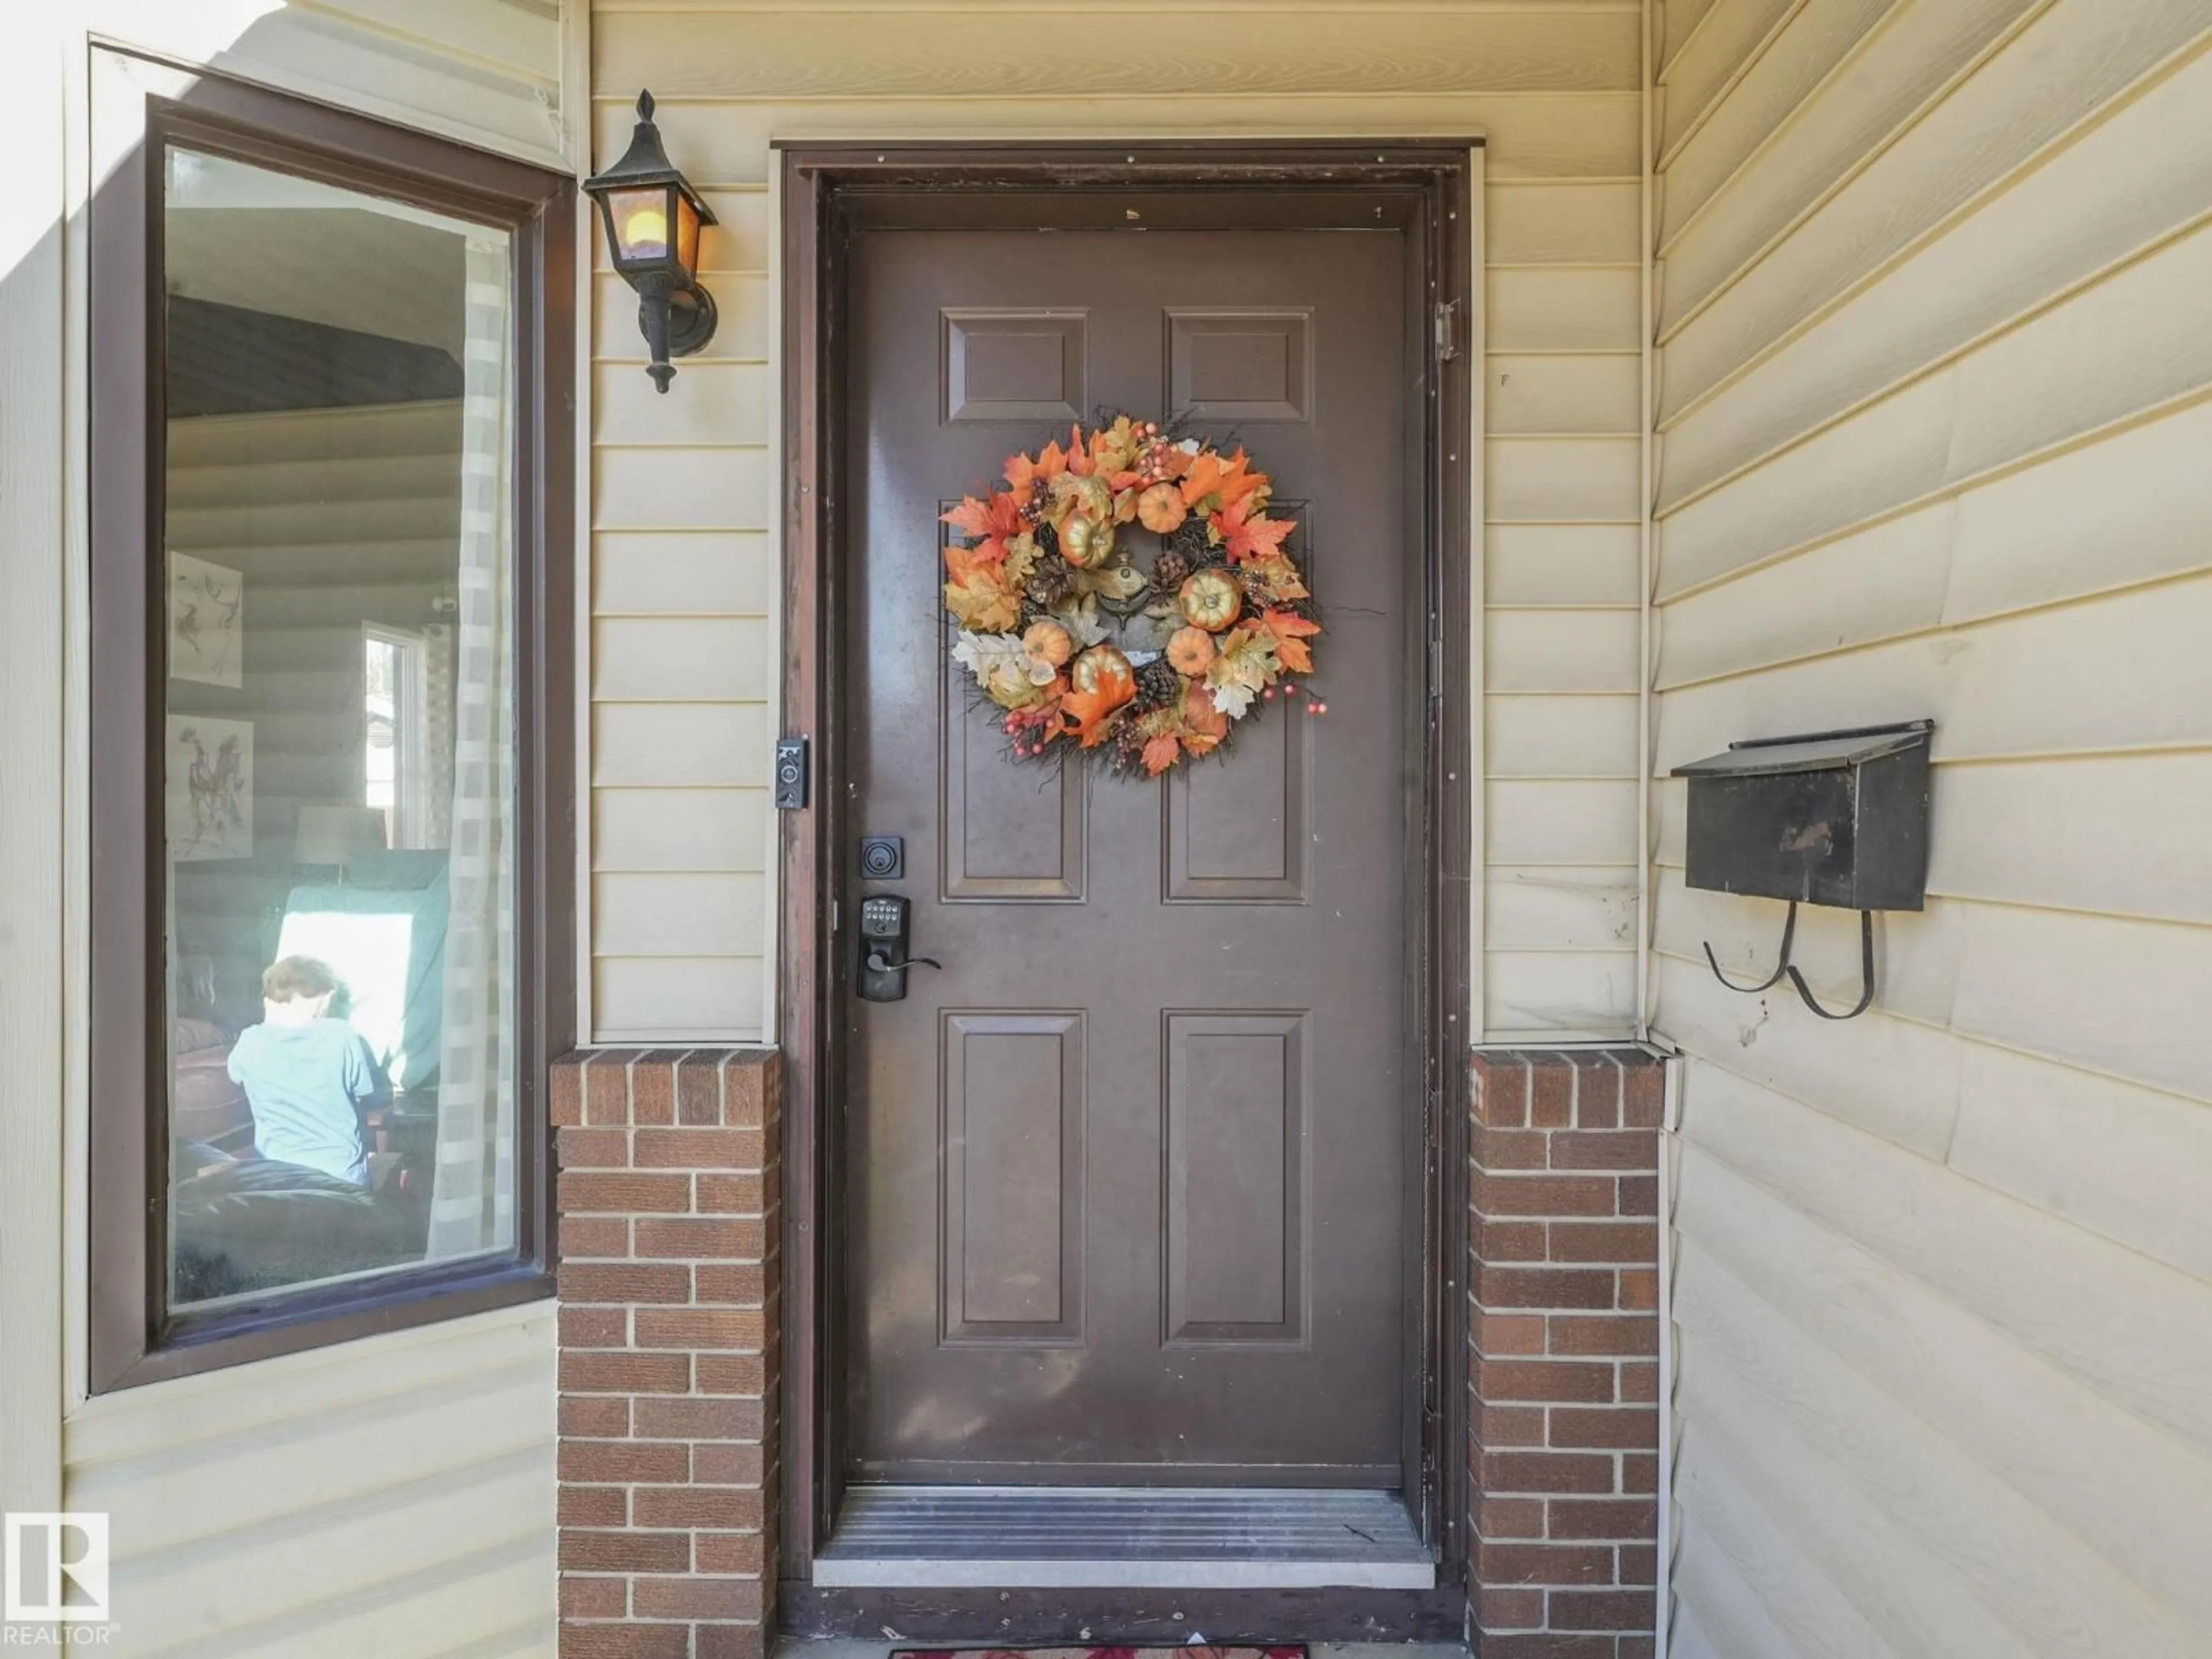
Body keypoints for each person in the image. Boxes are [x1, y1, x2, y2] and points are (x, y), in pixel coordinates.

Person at [224, 955, 387, 1185]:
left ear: (270, 1001)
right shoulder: (343, 1036)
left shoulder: (250, 1040)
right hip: (340, 1177)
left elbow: (235, 1076)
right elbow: (367, 1098)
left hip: (276, 1177)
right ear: (328, 997)